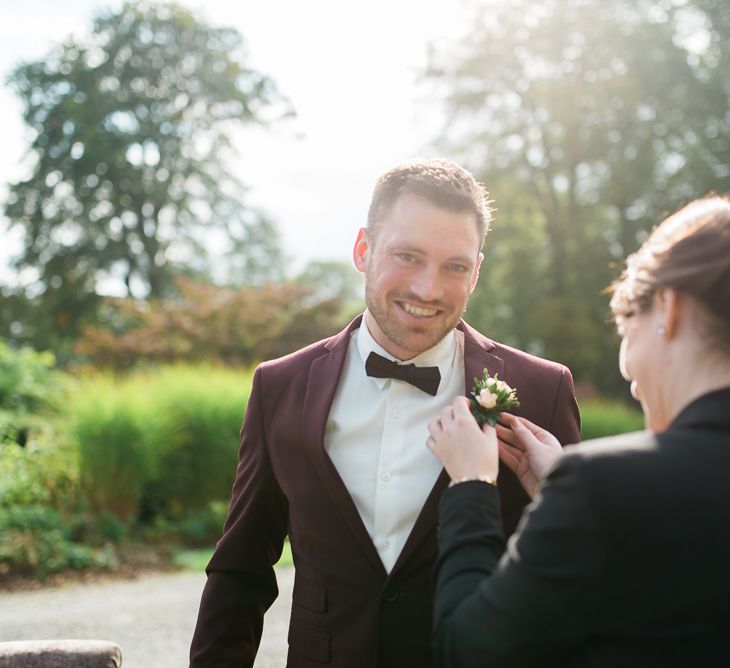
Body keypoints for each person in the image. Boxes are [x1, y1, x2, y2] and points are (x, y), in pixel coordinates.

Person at [189, 159, 581, 668]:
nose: (428, 289)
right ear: (362, 250)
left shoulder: (541, 389)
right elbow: (240, 572)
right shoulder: (279, 386)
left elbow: (576, 577)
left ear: (477, 271)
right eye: (407, 256)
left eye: (455, 266)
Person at [427, 195, 730, 667]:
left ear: (667, 310)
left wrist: (471, 486)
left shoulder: (599, 485)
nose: (625, 363)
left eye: (627, 321)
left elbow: (469, 652)